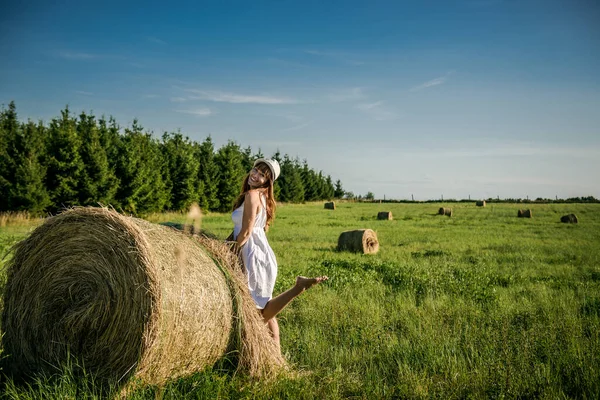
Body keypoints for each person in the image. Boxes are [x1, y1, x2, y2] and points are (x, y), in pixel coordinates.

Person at [231, 158, 328, 352]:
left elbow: (247, 231)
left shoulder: (251, 195)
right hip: (261, 255)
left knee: (257, 316)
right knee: (265, 308)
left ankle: (298, 288)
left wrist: (231, 250)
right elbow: (250, 229)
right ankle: (276, 354)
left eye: (262, 174)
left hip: (251, 256)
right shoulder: (264, 199)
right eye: (255, 169)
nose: (255, 174)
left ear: (268, 181)